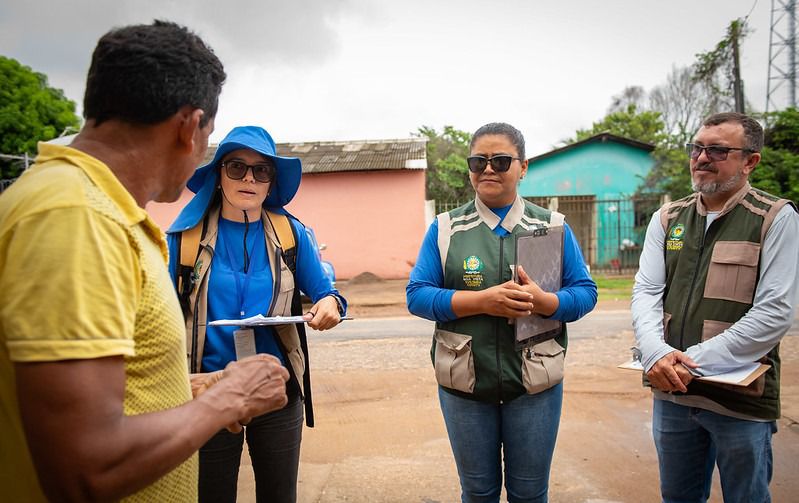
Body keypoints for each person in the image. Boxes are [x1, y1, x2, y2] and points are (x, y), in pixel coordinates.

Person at [0, 21, 291, 503]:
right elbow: (85, 467)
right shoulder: (78, 219)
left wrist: (188, 386)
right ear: (187, 127)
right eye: (211, 142)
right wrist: (228, 400)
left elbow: (115, 391)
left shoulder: (80, 204)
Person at [406, 122, 597, 502]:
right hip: (464, 384)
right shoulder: (446, 229)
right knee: (478, 492)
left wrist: (546, 303)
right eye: (479, 161)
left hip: (534, 385)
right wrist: (482, 301)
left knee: (528, 493)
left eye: (501, 160)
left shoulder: (551, 226)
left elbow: (585, 294)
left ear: (523, 167)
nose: (488, 169)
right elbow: (417, 296)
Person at [166, 125, 346, 503]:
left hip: (277, 389)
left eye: (261, 170)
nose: (249, 177)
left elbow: (328, 293)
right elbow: (162, 313)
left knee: (279, 495)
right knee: (211, 494)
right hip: (207, 389)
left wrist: (330, 305)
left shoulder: (290, 234)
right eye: (236, 167)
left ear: (270, 183)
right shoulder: (183, 240)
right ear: (218, 176)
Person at [631, 112, 799, 503]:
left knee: (747, 496)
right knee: (678, 496)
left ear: (750, 161)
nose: (702, 158)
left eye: (718, 150)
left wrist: (687, 361)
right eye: (697, 148)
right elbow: (646, 291)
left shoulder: (774, 218)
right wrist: (656, 353)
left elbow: (774, 312)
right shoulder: (668, 218)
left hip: (740, 400)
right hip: (672, 393)